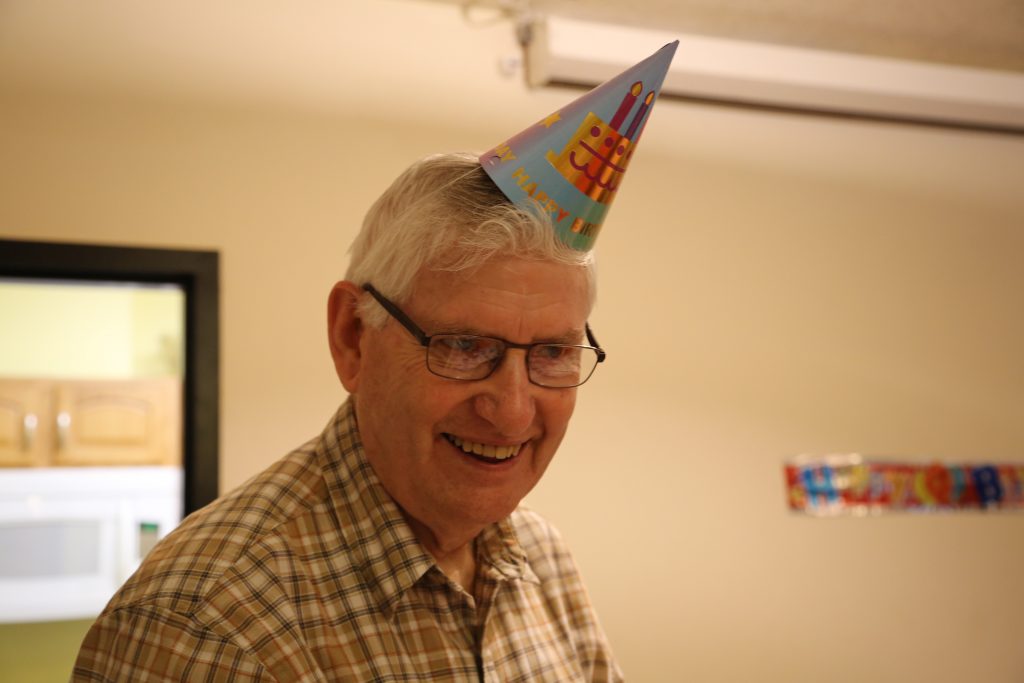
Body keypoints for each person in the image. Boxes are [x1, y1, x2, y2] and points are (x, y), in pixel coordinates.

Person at [73, 41, 676, 682]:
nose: (513, 411)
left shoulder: (542, 559)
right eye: (465, 346)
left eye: (553, 352)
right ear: (353, 337)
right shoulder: (208, 626)